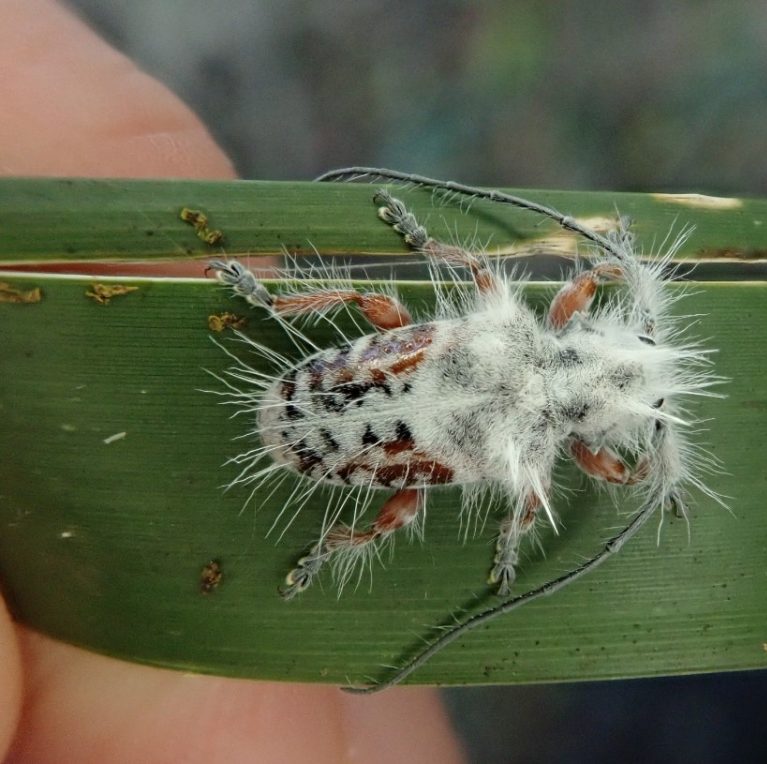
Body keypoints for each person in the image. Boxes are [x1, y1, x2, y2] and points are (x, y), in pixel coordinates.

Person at [0, 2, 465, 761]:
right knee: (394, 511)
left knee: (372, 313)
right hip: (330, 431)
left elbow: (460, 275)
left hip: (330, 412)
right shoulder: (521, 462)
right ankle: (322, 540)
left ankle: (268, 308)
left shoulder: (505, 367)